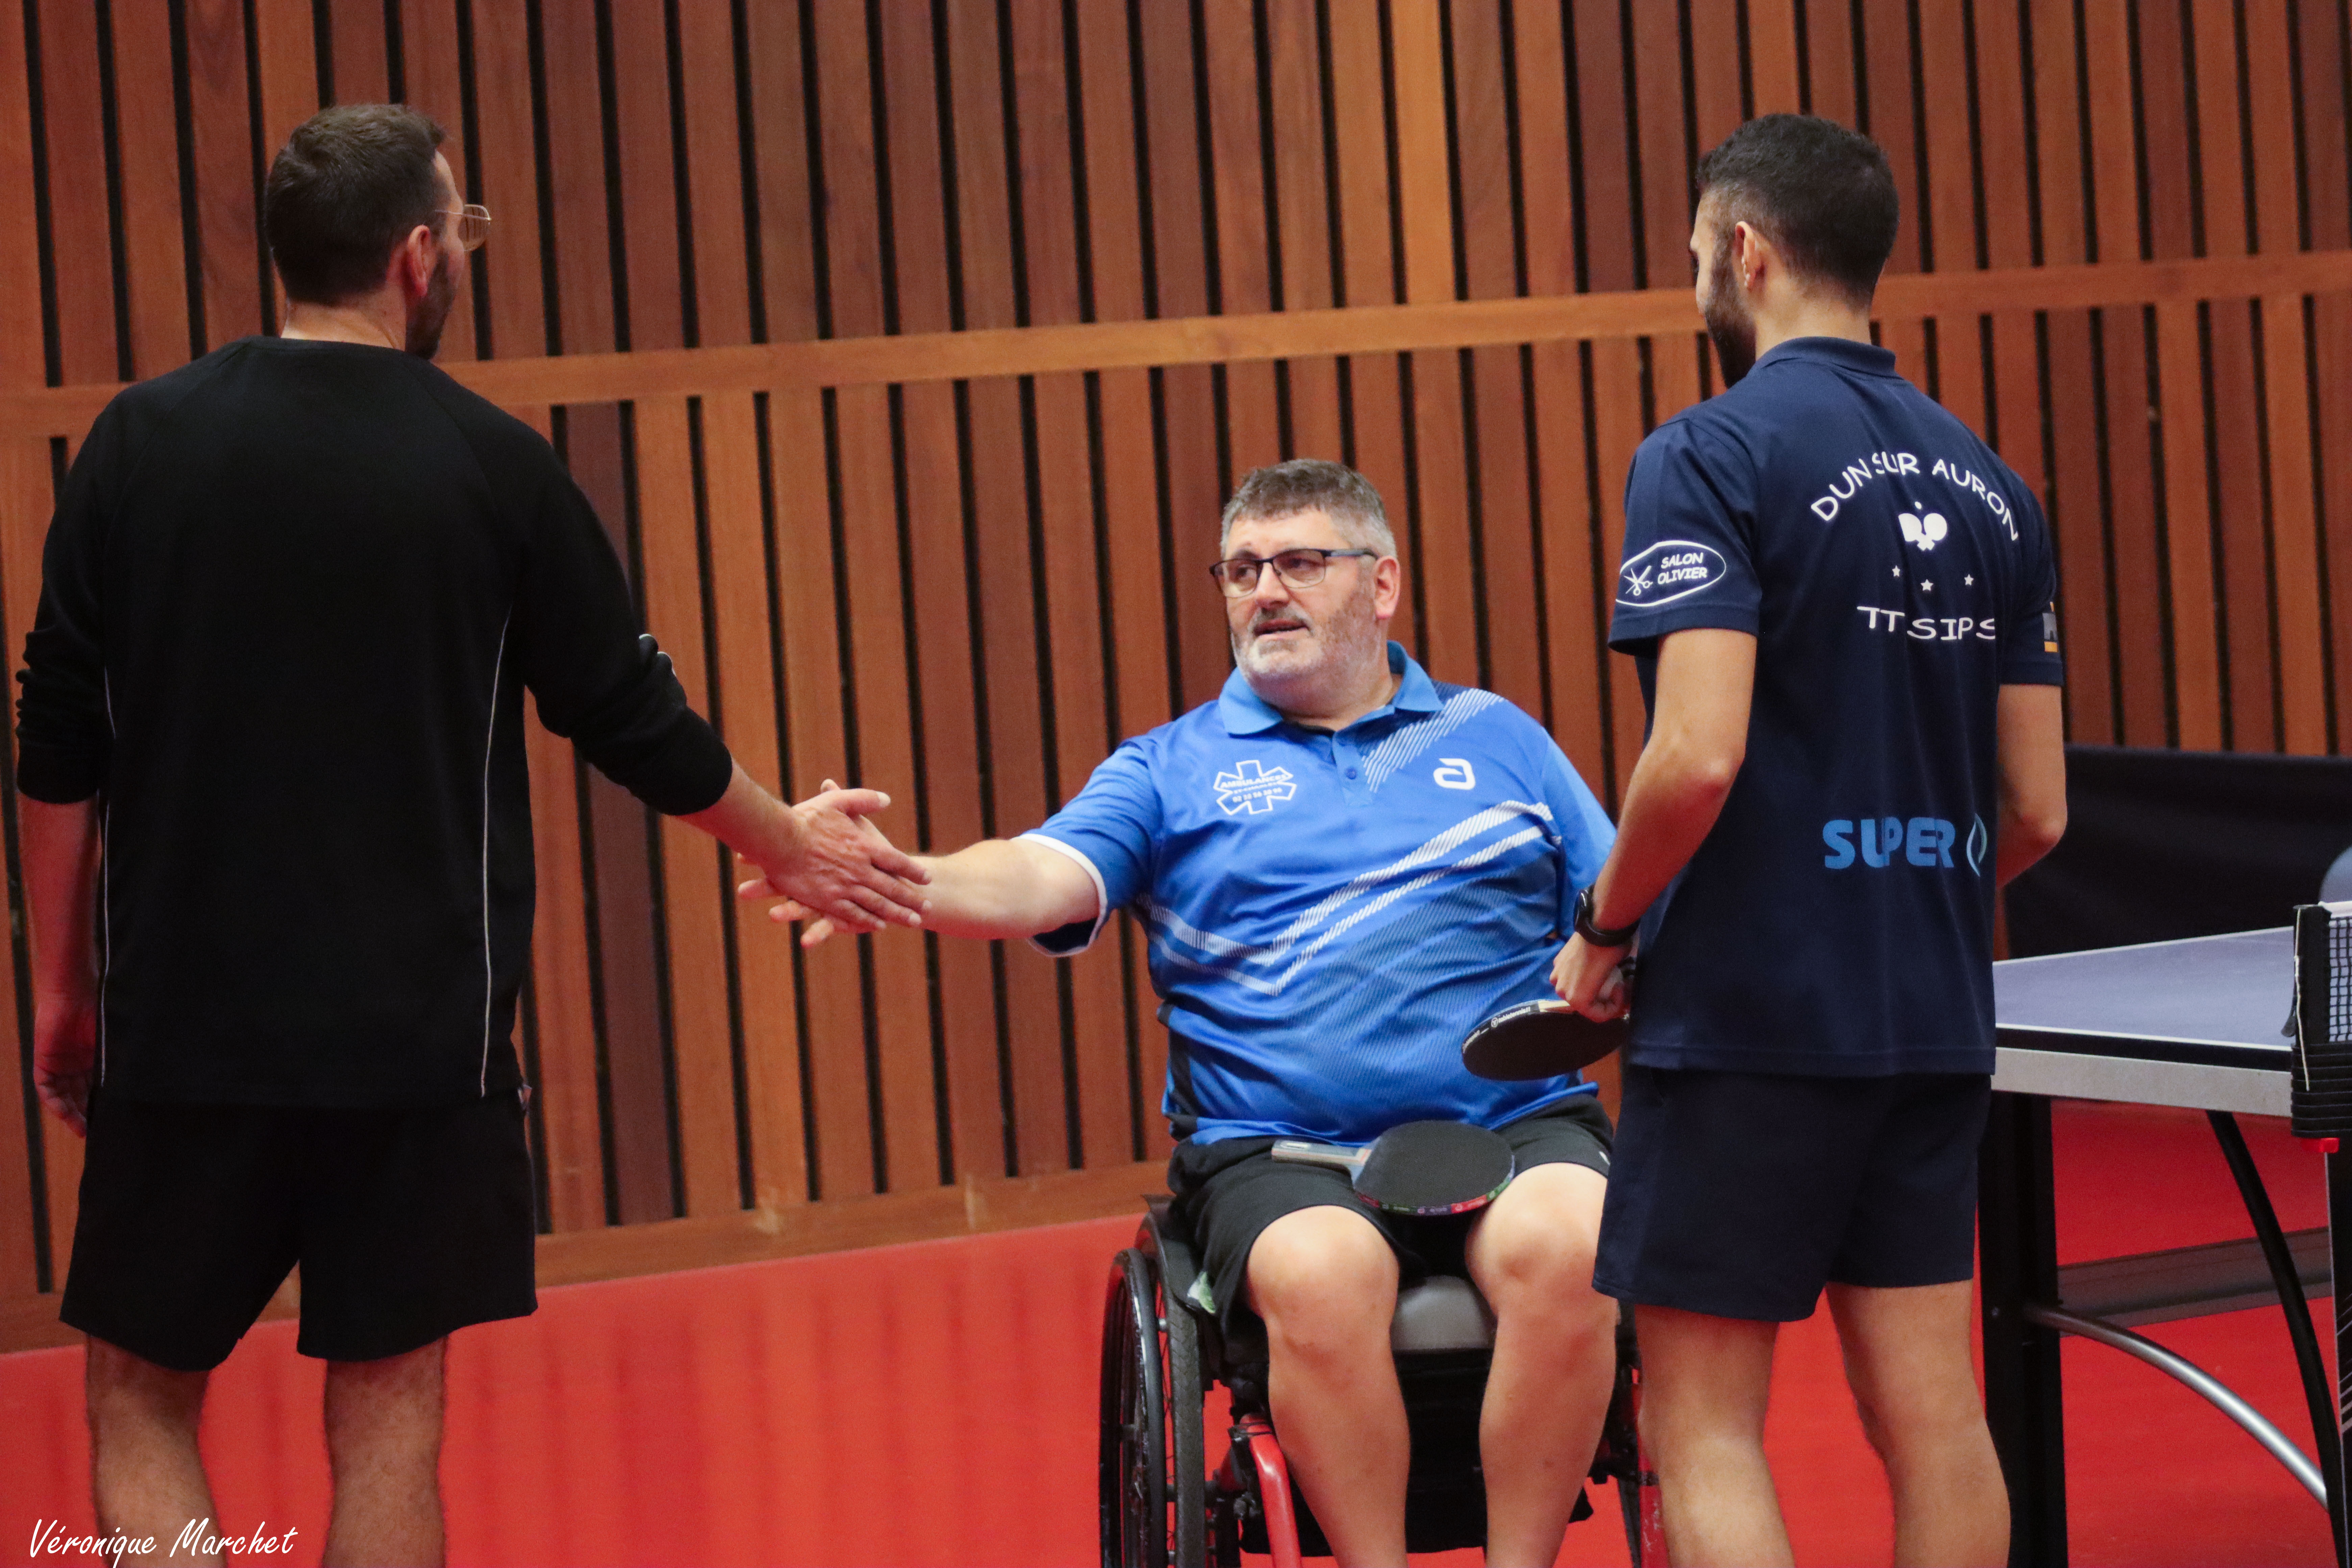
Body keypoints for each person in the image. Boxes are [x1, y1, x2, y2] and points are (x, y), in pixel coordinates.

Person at [16, 104, 928, 1565]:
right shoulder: (492, 464)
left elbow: (59, 737)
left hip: (181, 1025)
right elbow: (630, 713)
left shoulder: (139, 442)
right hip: (418, 1040)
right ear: (418, 255)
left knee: (139, 1397)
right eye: (464, 232)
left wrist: (66, 992)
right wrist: (784, 841)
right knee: (389, 1415)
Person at [759, 459, 1619, 1567]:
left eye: (1301, 562)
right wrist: (905, 877)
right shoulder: (1171, 769)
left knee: (1578, 1245)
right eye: (1242, 570)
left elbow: (1621, 899)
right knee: (1323, 1276)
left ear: (1384, 583)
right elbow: (1037, 874)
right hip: (1285, 1150)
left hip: (1514, 1123)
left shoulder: (1498, 737)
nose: (1266, 591)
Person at [1549, 114, 2068, 1567]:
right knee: (1936, 1418)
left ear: (1745, 251)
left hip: (1750, 1020)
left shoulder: (1706, 454)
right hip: (1933, 1010)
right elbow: (2037, 810)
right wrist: (1897, 891)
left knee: (1705, 1426)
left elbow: (1696, 754)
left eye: (1694, 258)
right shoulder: (1996, 486)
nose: (1694, 284)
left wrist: (1606, 926)